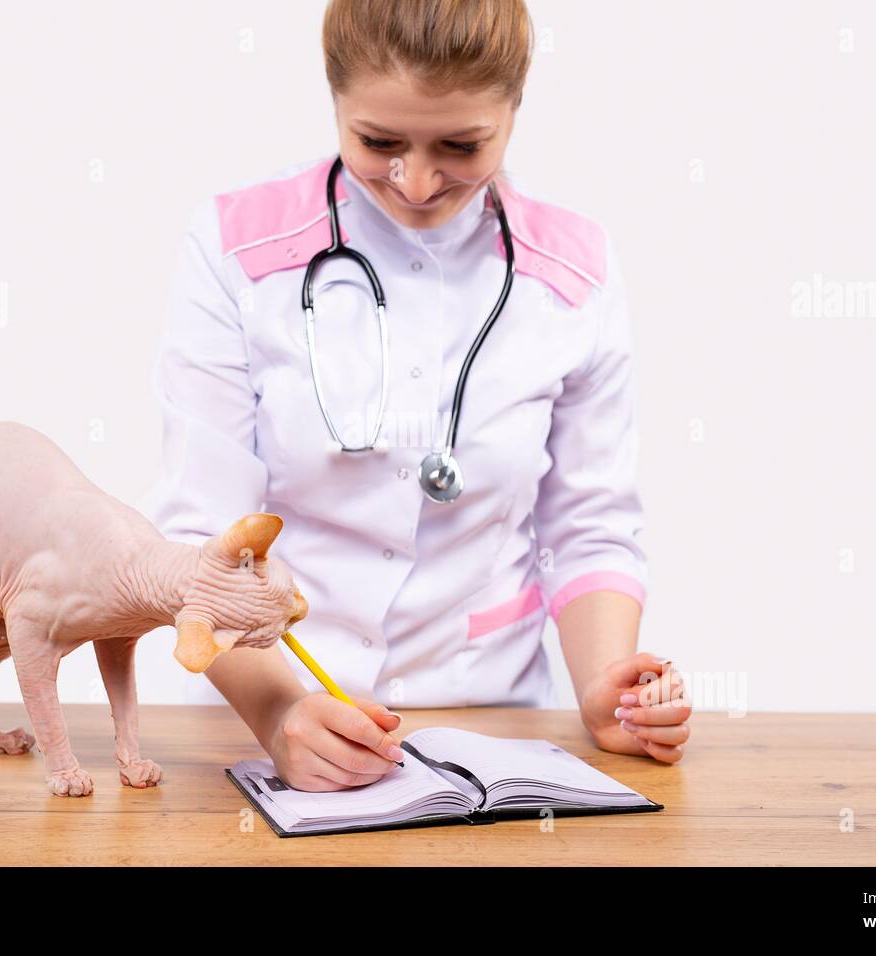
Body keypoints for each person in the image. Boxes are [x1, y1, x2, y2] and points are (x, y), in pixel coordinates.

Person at [149, 0, 690, 791]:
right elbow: (204, 539)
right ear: (334, 101)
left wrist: (607, 687)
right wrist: (277, 716)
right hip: (268, 724)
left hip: (495, 735)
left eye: (462, 146)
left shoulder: (575, 270)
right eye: (379, 142)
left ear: (515, 108)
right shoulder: (235, 248)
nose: (416, 180)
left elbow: (589, 524)